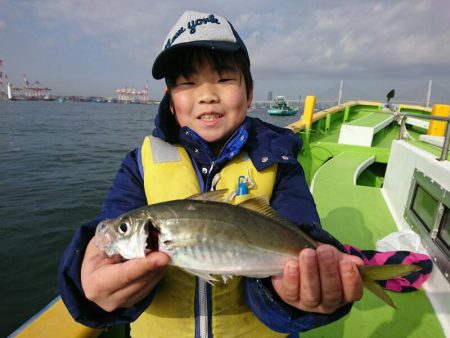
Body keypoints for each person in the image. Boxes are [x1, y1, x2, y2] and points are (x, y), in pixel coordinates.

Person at [58, 10, 364, 337]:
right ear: (171, 103)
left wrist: (290, 297)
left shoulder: (280, 163)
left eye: (224, 79)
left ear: (249, 93)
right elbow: (108, 229)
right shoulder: (139, 167)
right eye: (188, 83)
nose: (207, 94)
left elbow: (301, 231)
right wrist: (87, 286)